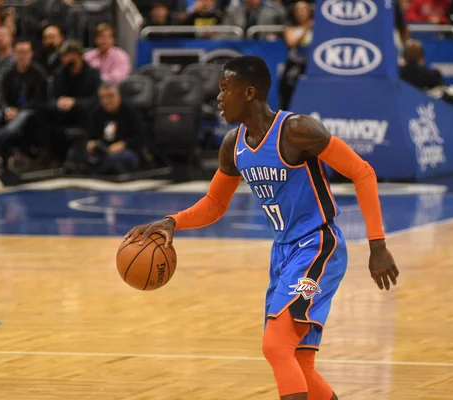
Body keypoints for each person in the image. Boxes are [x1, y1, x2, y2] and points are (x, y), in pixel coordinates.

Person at [124, 56, 399, 400]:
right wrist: (172, 221)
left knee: (275, 346)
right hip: (284, 254)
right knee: (300, 364)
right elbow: (215, 204)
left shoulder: (297, 130)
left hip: (316, 246)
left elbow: (362, 172)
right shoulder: (233, 145)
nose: (219, 98)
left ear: (249, 92)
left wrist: (377, 246)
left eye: (226, 89)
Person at [0, 39, 48, 170]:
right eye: (19, 52)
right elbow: (2, 97)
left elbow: (38, 100)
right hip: (9, 110)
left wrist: (17, 110)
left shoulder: (39, 74)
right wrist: (7, 109)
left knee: (19, 120)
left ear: (31, 54)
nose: (22, 56)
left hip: (29, 111)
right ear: (14, 53)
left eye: (25, 52)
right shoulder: (8, 74)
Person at [64, 83, 145, 174]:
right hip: (101, 150)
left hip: (126, 151)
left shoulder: (131, 111)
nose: (107, 101)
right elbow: (90, 135)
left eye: (111, 96)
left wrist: (123, 144)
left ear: (119, 96)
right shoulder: (97, 113)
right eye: (103, 98)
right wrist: (91, 144)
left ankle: (90, 172)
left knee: (116, 158)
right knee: (74, 152)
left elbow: (140, 138)